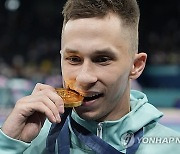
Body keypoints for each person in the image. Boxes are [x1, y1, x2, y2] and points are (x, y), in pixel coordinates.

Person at [0, 0, 180, 153]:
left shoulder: (171, 147)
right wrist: (8, 144)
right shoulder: (28, 141)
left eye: (102, 59)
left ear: (135, 66)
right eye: (73, 59)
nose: (83, 78)